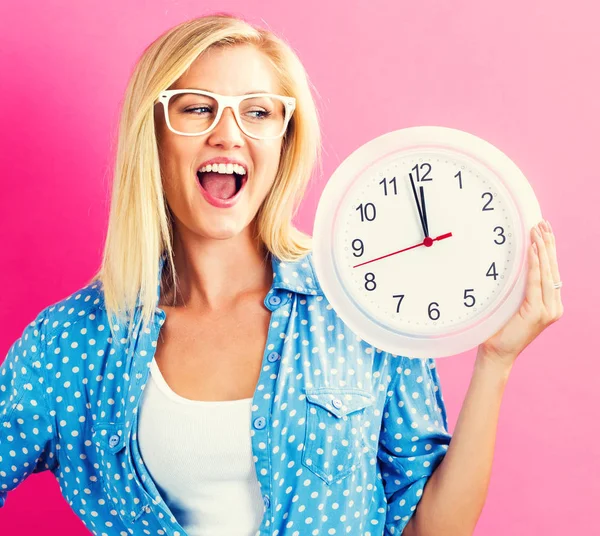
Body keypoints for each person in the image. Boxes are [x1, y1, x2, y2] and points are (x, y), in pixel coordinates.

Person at [0, 13, 563, 536]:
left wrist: (495, 362)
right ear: (154, 133)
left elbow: (430, 528)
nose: (228, 134)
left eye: (259, 111)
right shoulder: (73, 340)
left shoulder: (356, 305)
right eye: (197, 108)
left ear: (284, 141)